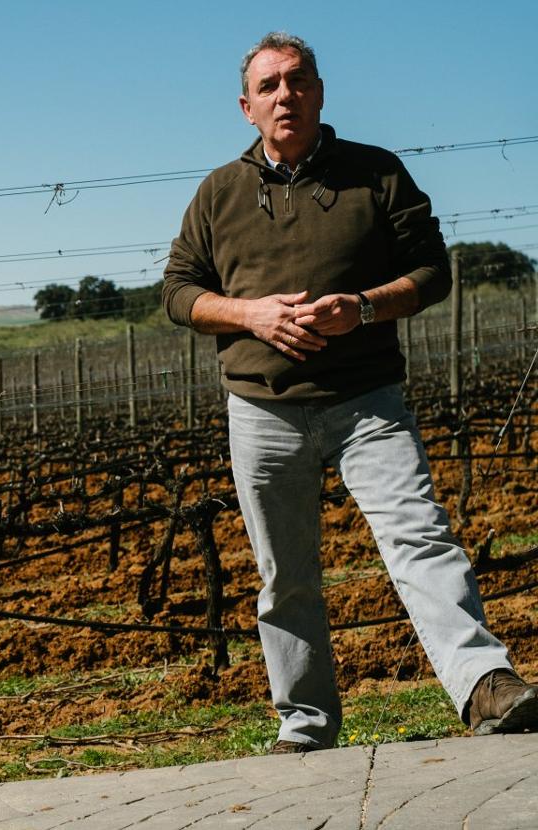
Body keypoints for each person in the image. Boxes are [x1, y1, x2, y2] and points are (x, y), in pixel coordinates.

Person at [161, 31, 538, 752]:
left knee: (420, 539)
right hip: (262, 408)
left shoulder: (376, 173)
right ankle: (305, 725)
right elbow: (179, 293)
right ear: (247, 107)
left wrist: (360, 307)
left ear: (320, 90)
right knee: (284, 575)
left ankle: (487, 684)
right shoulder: (219, 193)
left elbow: (432, 272)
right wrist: (252, 314)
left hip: (367, 401)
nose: (285, 95)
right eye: (268, 86)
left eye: (297, 80)